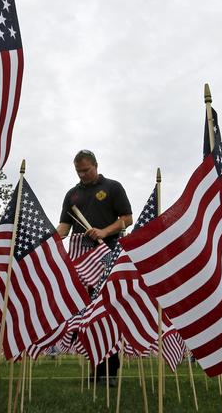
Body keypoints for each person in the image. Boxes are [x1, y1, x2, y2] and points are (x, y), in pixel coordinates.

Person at [57, 149, 133, 386]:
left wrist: (104, 231)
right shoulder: (72, 195)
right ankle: (97, 367)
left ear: (96, 165)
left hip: (107, 254)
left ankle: (110, 371)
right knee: (87, 312)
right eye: (78, 171)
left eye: (86, 170)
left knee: (106, 310)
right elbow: (64, 227)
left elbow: (127, 218)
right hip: (82, 259)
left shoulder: (113, 187)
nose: (82, 175)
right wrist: (47, 240)